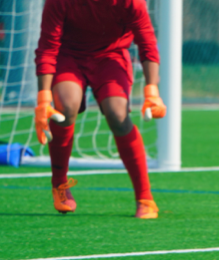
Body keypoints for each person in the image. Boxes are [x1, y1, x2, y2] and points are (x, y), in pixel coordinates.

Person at [34, 0, 167, 219]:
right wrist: (43, 99)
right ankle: (59, 183)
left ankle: (145, 197)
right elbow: (48, 47)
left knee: (118, 114)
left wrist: (152, 89)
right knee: (64, 108)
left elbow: (146, 39)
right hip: (68, 56)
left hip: (111, 56)